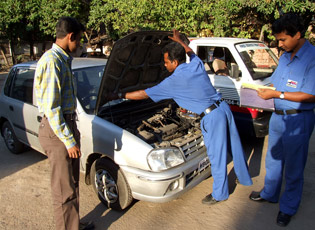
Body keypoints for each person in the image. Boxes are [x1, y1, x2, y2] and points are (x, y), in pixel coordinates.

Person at [114, 29, 252, 204]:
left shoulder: (173, 81)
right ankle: (244, 177)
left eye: (165, 62)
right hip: (223, 108)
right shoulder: (195, 65)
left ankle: (220, 194)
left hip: (212, 117)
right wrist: (180, 41)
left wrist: (118, 96)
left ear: (173, 62)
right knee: (235, 144)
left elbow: (143, 94)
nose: (164, 65)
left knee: (216, 156)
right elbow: (191, 52)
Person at [249, 13, 315, 227]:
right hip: (277, 117)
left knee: (294, 167)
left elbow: (310, 95)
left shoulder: (312, 58)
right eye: (278, 39)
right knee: (273, 159)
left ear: (297, 34)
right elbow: (276, 84)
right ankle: (270, 193)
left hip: (298, 120)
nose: (280, 43)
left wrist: (277, 95)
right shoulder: (285, 55)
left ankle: (288, 207)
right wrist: (261, 91)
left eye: (283, 39)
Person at [34, 17, 94, 230]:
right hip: (57, 132)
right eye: (79, 40)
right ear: (71, 37)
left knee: (72, 184)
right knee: (63, 190)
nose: (80, 45)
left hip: (66, 127)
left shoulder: (63, 59)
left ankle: (74, 224)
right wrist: (69, 140)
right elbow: (52, 109)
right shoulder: (52, 61)